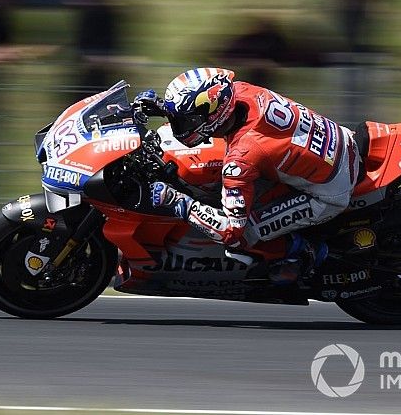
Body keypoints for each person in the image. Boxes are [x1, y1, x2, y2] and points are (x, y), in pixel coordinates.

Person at [140, 67, 360, 283]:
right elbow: (204, 107)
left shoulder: (241, 159)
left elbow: (231, 232)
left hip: (329, 192)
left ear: (215, 114)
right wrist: (164, 108)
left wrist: (179, 202)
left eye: (188, 121)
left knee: (244, 236)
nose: (184, 127)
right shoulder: (241, 91)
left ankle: (307, 252)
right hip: (338, 141)